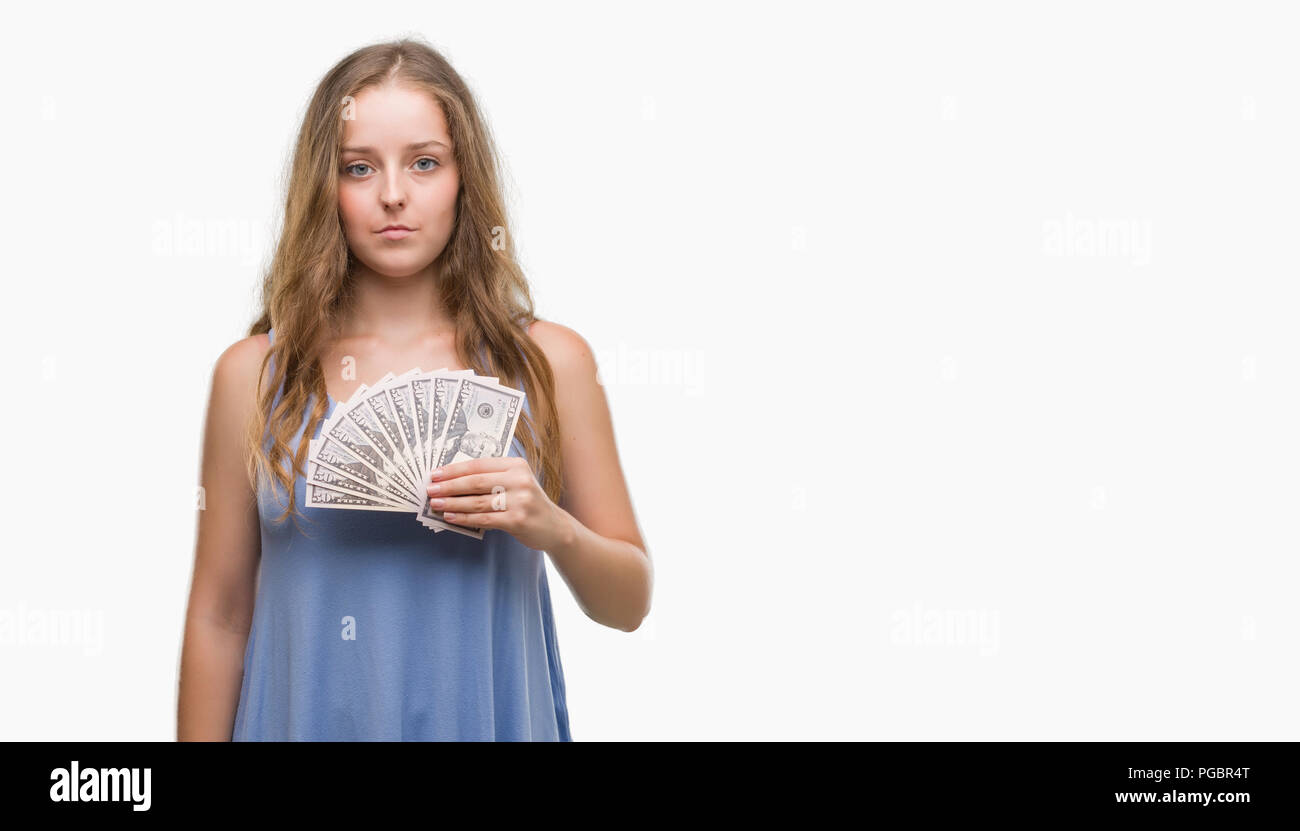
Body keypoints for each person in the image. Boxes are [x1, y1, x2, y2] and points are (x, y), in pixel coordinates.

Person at [176, 38, 651, 741]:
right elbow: (218, 615)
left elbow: (628, 602)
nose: (393, 193)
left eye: (424, 162)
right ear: (323, 186)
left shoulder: (548, 363)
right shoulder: (253, 375)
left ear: (464, 178)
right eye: (359, 167)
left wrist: (551, 525)